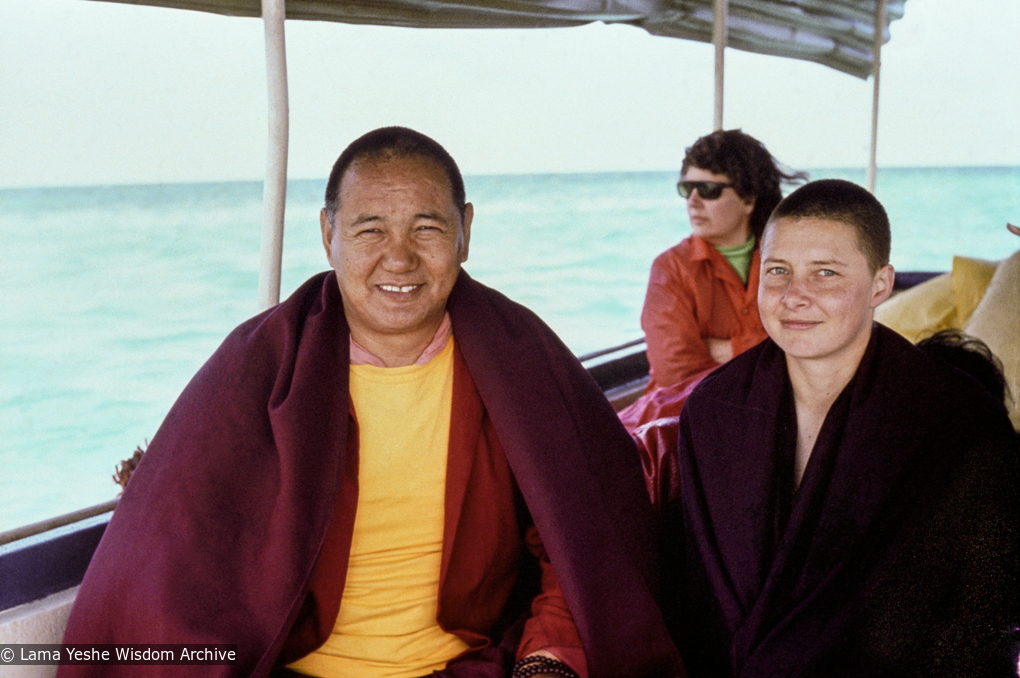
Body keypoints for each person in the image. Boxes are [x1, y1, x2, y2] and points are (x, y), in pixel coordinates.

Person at [59, 127, 681, 678]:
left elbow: (589, 543)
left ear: (466, 231)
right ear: (329, 235)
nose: (400, 257)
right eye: (370, 229)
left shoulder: (525, 361)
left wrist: (547, 664)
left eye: (428, 228)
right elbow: (175, 554)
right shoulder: (259, 365)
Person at [665, 179, 1020, 676]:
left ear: (880, 284)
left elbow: (980, 614)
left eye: (825, 273)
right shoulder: (714, 409)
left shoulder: (954, 417)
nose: (793, 296)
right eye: (778, 272)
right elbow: (702, 602)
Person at [639, 129, 806, 393]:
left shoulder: (795, 261)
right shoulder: (670, 269)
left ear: (748, 199)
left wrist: (733, 349)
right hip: (686, 414)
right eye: (686, 189)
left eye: (708, 190)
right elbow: (676, 373)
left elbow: (814, 343)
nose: (693, 202)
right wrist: (772, 354)